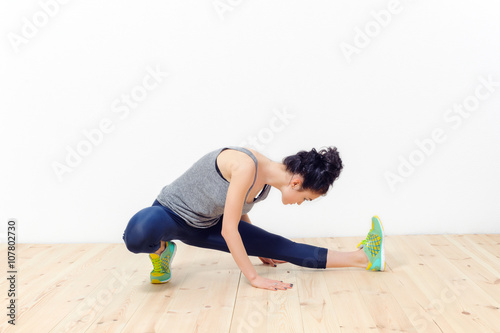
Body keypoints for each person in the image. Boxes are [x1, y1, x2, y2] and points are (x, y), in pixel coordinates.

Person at [122, 146, 385, 291]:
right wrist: (254, 278)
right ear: (296, 182)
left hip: (204, 226)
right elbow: (229, 231)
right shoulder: (246, 165)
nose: (301, 204)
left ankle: (364, 257)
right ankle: (162, 251)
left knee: (284, 248)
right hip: (170, 213)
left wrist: (258, 249)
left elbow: (235, 210)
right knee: (136, 236)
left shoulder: (266, 181)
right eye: (306, 198)